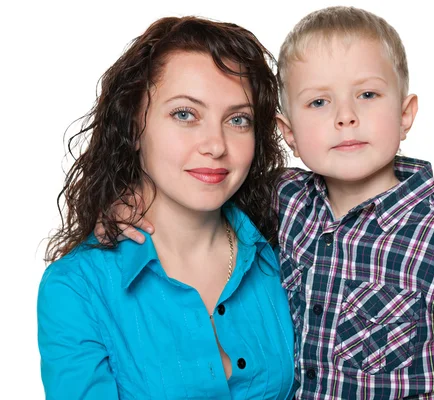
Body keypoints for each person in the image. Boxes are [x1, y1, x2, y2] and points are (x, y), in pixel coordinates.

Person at [110, 6, 434, 399]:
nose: (346, 116)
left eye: (367, 95)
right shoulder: (285, 200)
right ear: (288, 133)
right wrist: (133, 200)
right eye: (318, 103)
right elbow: (199, 197)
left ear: (405, 114)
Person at [38, 16, 294, 399]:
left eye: (238, 119)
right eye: (185, 114)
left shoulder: (292, 241)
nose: (215, 145)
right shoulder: (77, 288)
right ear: (134, 127)